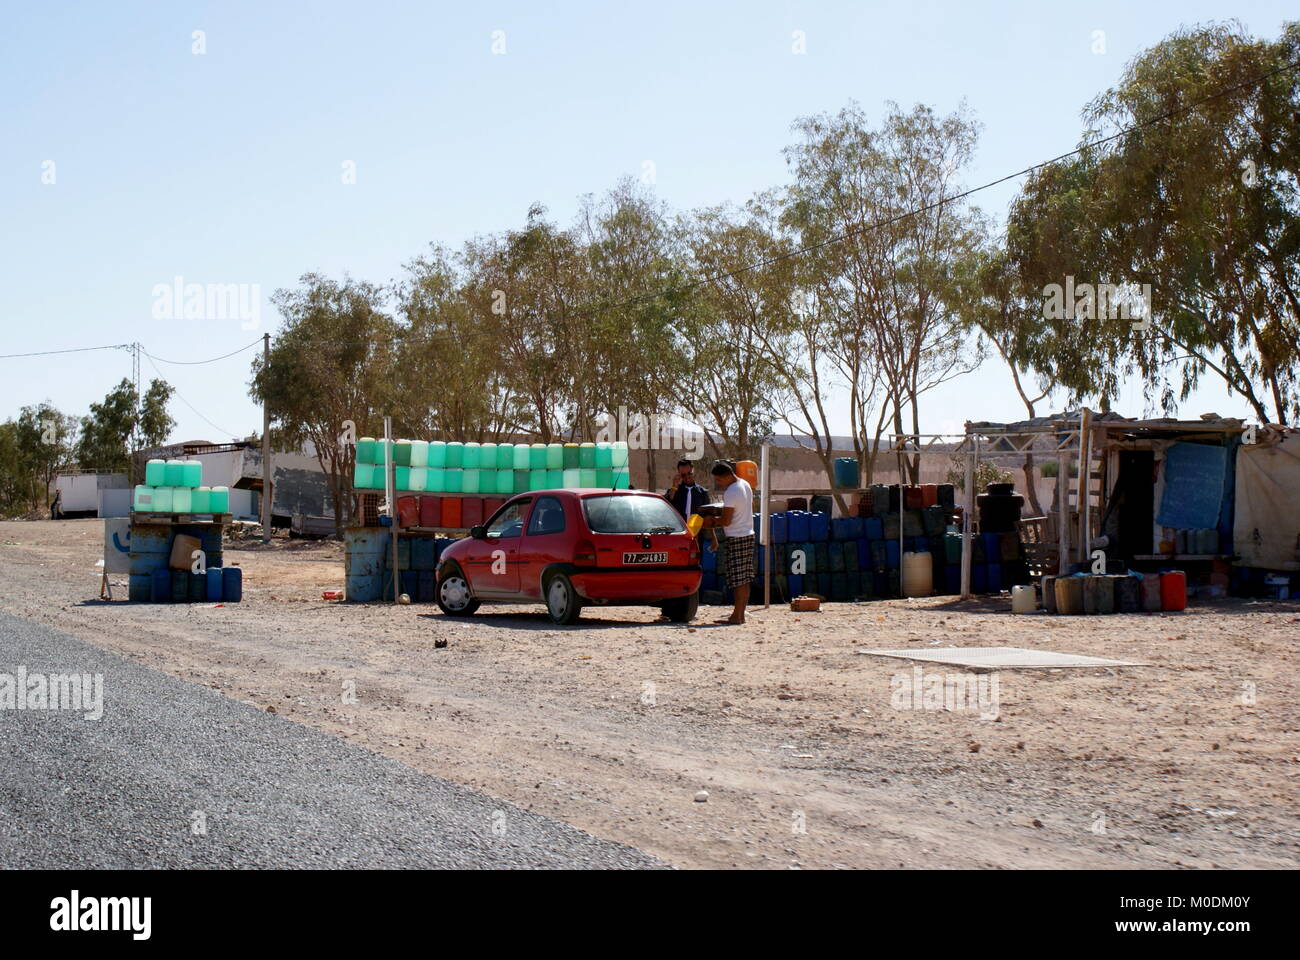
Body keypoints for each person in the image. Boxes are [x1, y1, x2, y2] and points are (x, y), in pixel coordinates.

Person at [702, 459, 754, 625]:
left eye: (718, 480)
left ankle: (736, 616)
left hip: (737, 536)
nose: (718, 483)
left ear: (724, 477)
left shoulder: (731, 491)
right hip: (748, 534)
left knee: (737, 579)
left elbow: (726, 520)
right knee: (744, 578)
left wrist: (712, 520)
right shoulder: (744, 484)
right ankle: (740, 614)